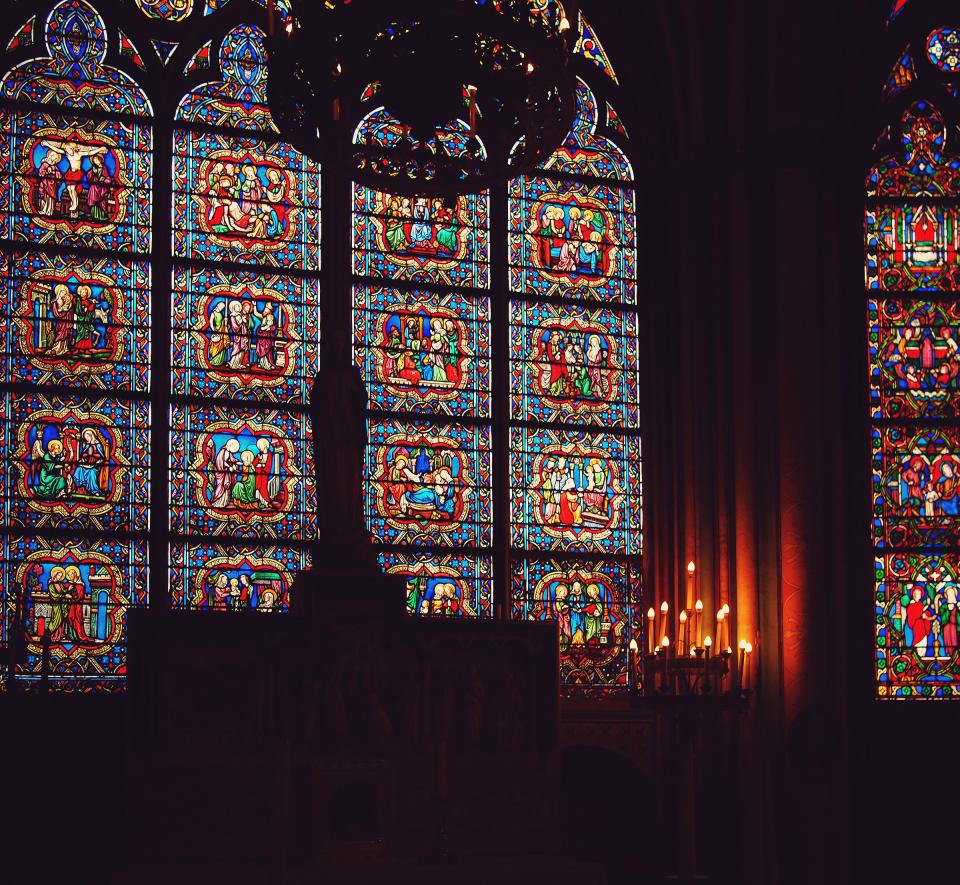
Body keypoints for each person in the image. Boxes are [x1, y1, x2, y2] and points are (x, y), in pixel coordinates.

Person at [72, 428, 107, 497]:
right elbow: (83, 455)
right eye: (85, 438)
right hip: (86, 464)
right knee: (78, 470)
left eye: (87, 437)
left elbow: (102, 458)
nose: (87, 439)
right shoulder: (87, 445)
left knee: (91, 473)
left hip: (95, 466)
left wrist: (96, 462)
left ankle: (95, 491)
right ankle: (81, 489)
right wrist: (83, 459)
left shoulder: (98, 445)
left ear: (91, 435)